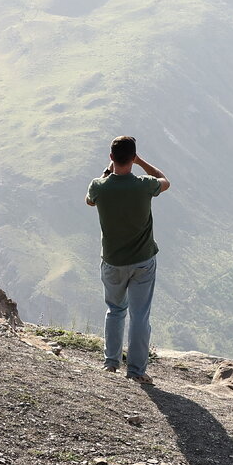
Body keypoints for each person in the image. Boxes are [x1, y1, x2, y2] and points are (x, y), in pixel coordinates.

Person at [86, 135, 170, 385]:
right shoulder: (145, 185)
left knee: (115, 310)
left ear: (111, 157)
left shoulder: (99, 186)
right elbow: (165, 181)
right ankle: (135, 371)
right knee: (140, 315)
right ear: (132, 158)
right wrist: (141, 161)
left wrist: (107, 172)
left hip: (112, 261)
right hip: (143, 261)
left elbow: (89, 200)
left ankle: (111, 363)